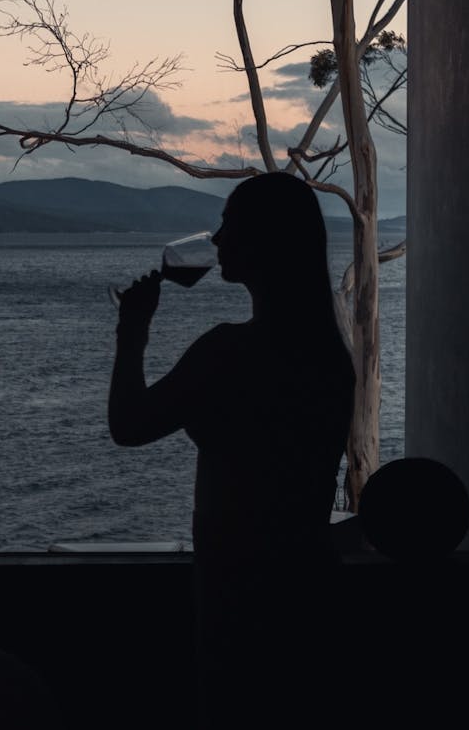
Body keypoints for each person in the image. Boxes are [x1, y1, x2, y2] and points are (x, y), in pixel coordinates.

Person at [108, 171, 355, 728]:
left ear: (265, 241)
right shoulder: (328, 355)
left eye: (229, 225)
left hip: (239, 595)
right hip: (308, 589)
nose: (217, 240)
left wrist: (132, 331)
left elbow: (129, 425)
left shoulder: (228, 352)